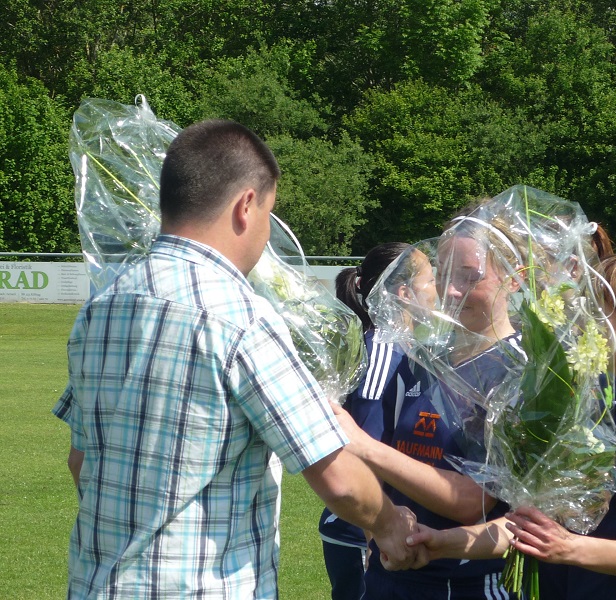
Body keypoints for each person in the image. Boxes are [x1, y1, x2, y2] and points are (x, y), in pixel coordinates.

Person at [53, 118, 420, 599]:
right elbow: (336, 477)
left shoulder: (101, 306)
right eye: (269, 213)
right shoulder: (241, 316)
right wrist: (390, 524)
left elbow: (80, 460)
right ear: (246, 206)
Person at [407, 248, 616, 600]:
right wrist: (442, 543)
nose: (584, 324)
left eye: (598, 313)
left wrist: (569, 548)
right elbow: (545, 527)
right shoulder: (606, 403)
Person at [332, 205, 528, 599]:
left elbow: (475, 500)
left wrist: (363, 446)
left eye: (470, 276)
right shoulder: (419, 359)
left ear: (515, 278)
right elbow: (374, 471)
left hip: (467, 586)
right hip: (390, 576)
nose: (451, 291)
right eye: (443, 274)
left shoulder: (521, 371)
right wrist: (381, 532)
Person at [319, 242, 437, 600]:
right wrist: (376, 534)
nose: (439, 291)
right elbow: (361, 447)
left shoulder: (406, 346)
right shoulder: (383, 350)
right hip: (362, 532)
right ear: (404, 293)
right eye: (431, 280)